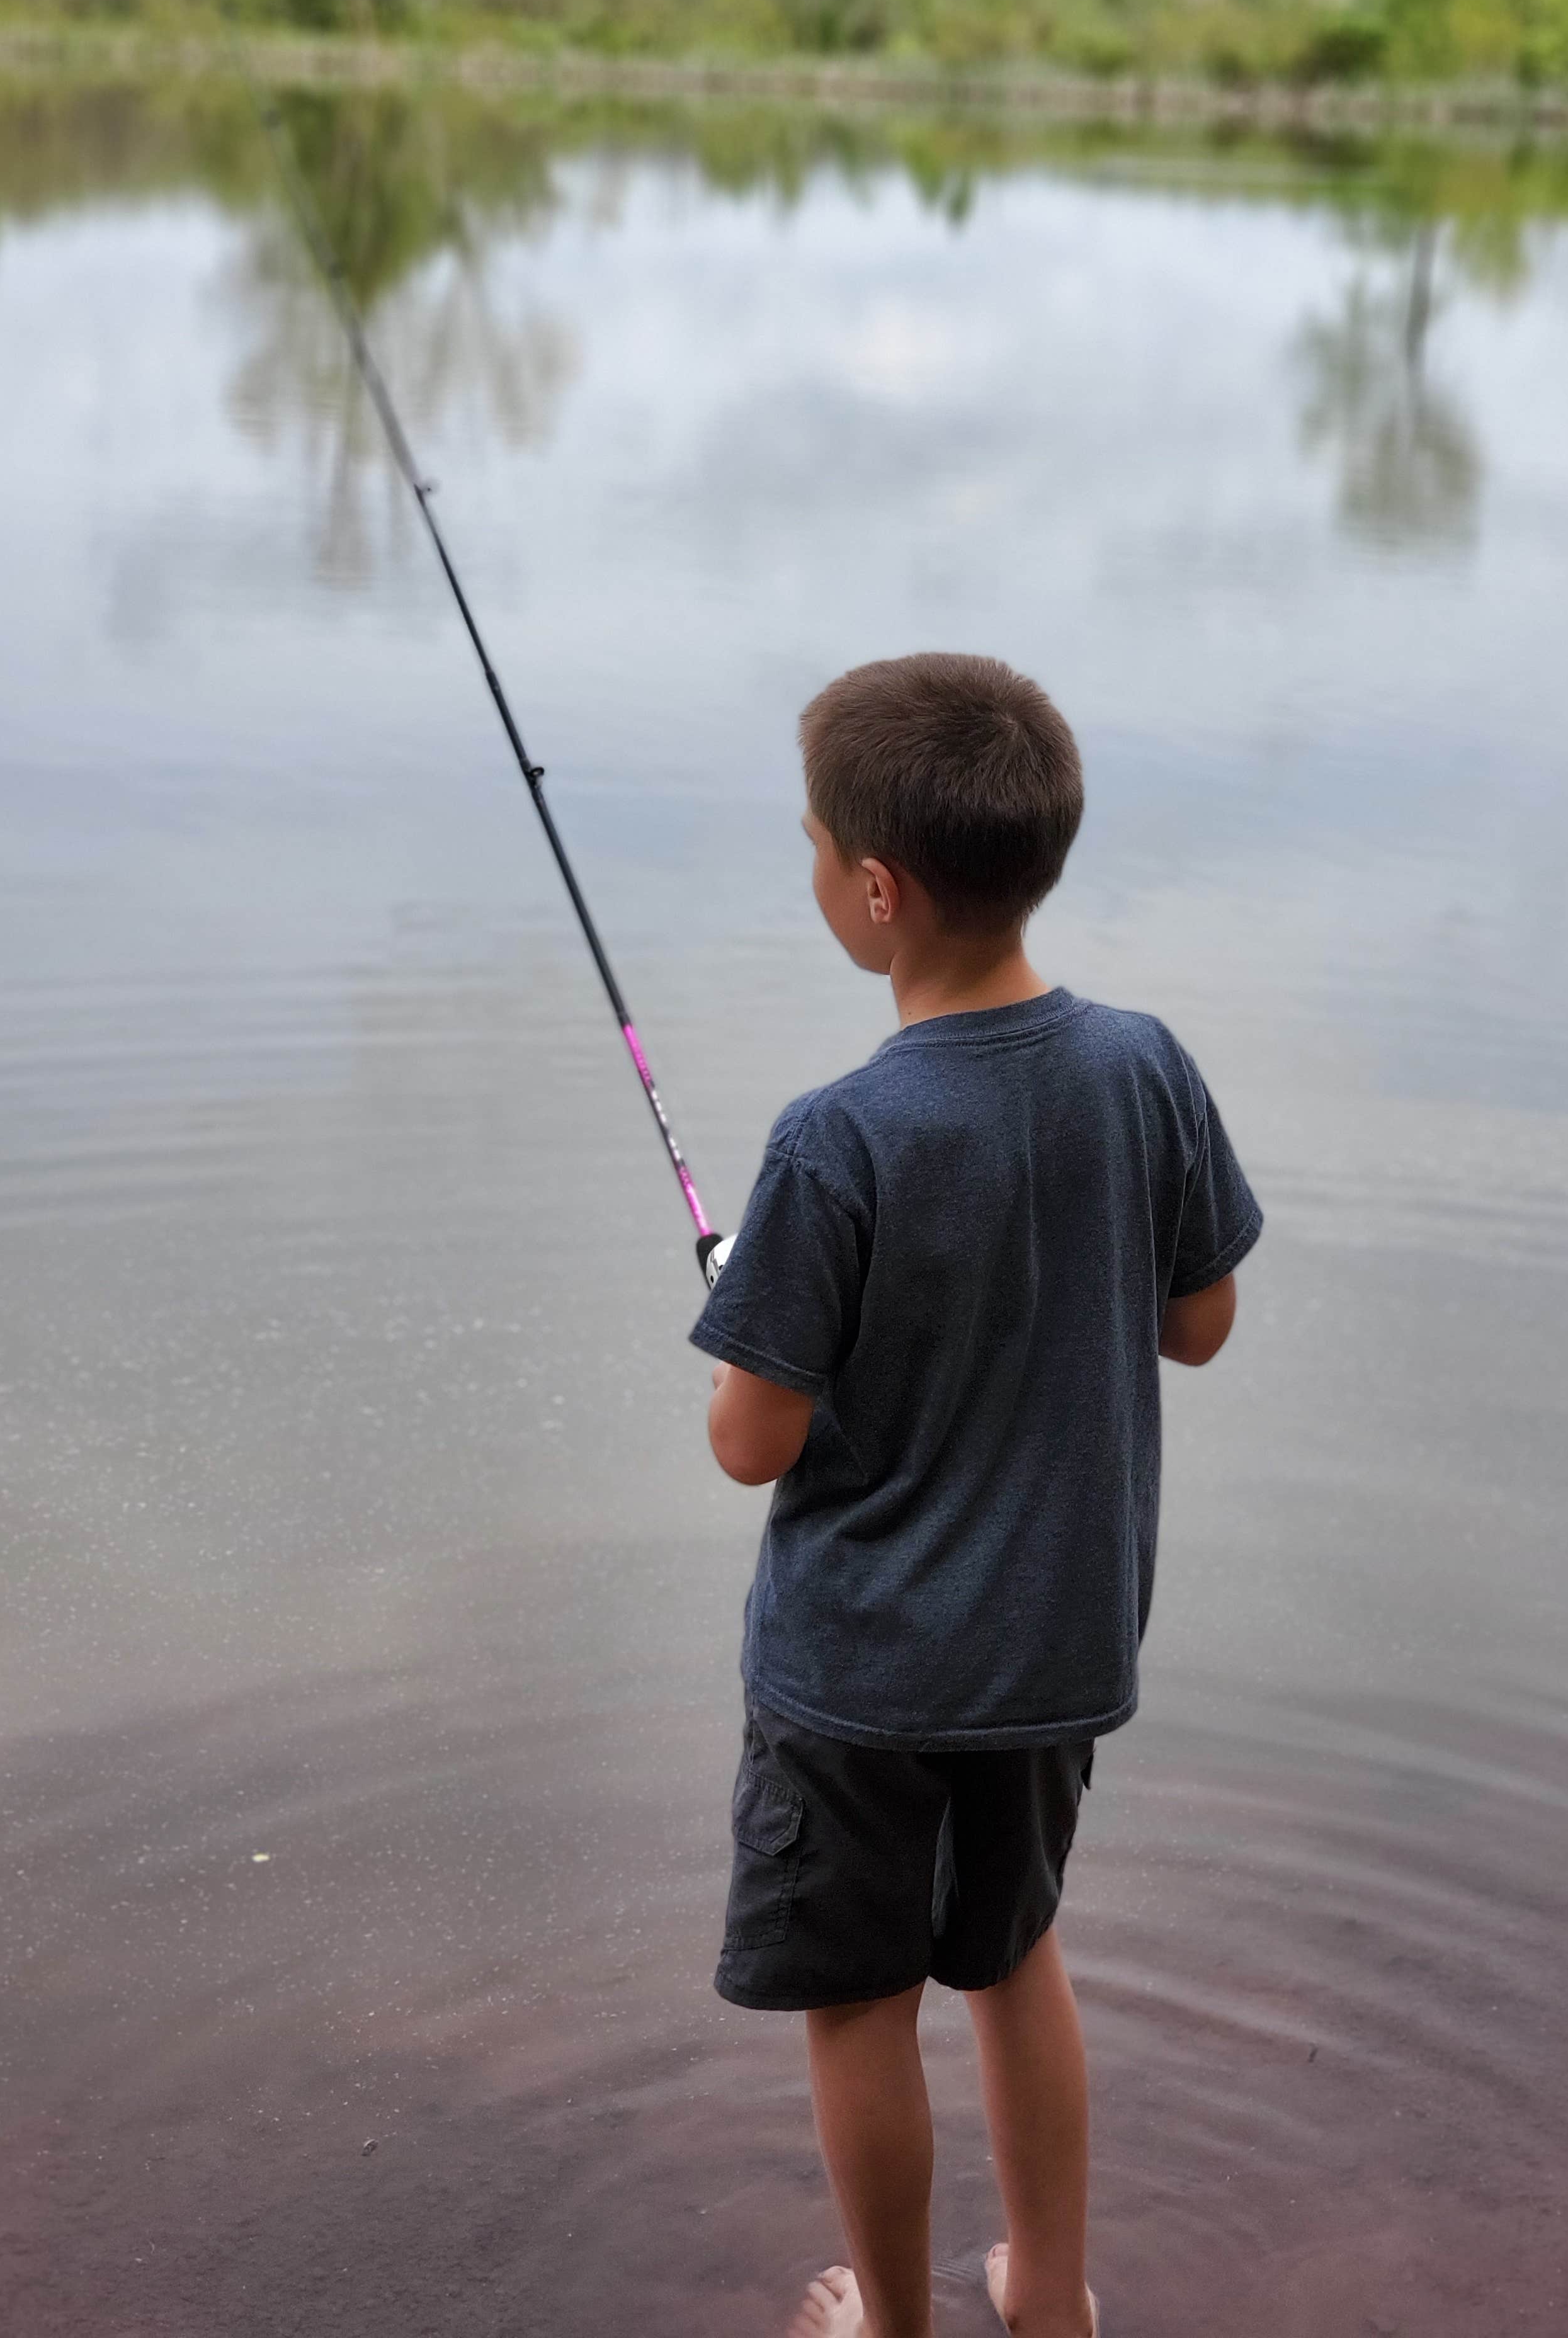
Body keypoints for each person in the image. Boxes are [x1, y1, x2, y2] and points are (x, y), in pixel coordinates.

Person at [690, 654, 1261, 2338]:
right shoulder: (1142, 1068)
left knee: (860, 2002)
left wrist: (754, 1302)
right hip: (1051, 1653)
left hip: (860, 1676)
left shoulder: (835, 1140)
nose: (816, 880)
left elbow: (753, 1443)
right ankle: (1057, 2302)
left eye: (814, 854)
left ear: (875, 891)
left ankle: (893, 2320)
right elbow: (1202, 1325)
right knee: (1017, 1959)